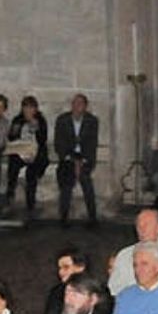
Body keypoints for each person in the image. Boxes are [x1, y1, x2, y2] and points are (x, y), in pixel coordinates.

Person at [53, 94, 99, 227]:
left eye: (80, 104)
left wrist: (82, 161)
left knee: (85, 180)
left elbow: (91, 143)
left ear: (85, 106)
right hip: (68, 158)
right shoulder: (62, 120)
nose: (76, 106)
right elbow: (59, 143)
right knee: (66, 182)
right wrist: (73, 160)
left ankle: (92, 217)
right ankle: (64, 216)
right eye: (74, 103)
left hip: (85, 158)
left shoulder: (92, 121)